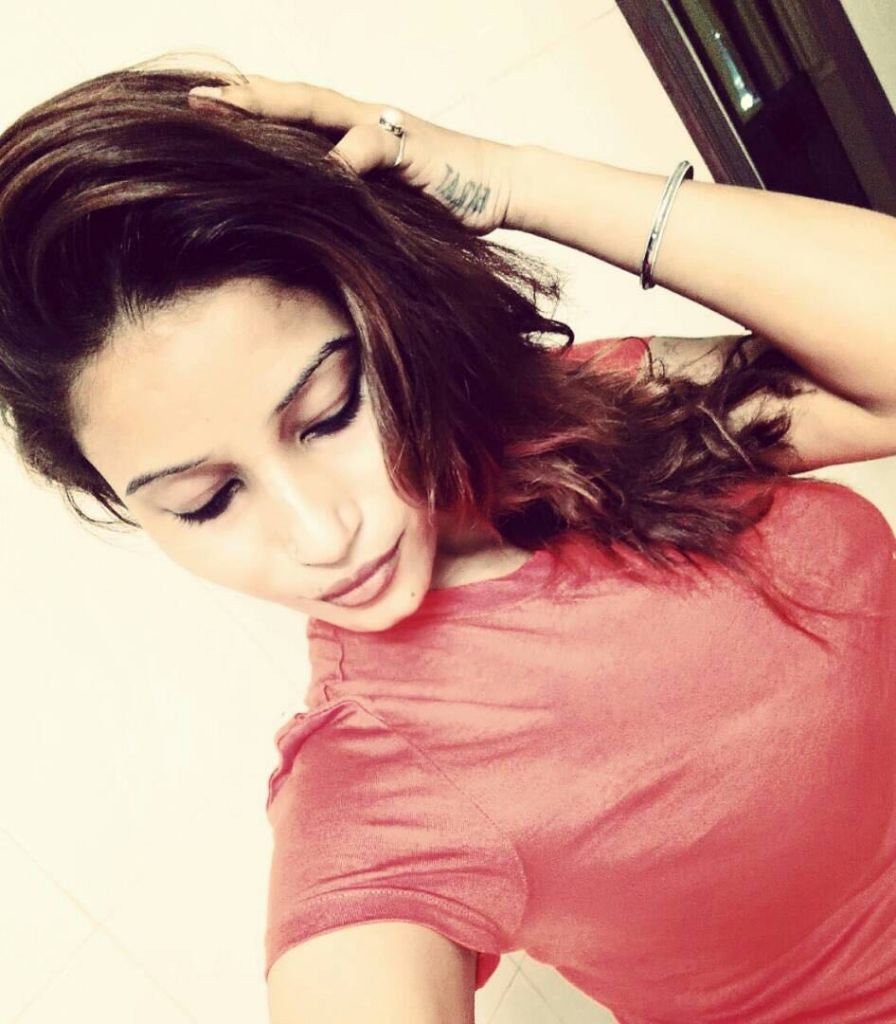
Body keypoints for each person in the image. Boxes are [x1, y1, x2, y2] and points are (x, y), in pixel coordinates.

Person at [1, 59, 895, 1024]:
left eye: (330, 412)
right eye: (207, 501)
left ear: (388, 323)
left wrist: (511, 180)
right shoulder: (376, 789)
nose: (321, 534)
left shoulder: (588, 407)